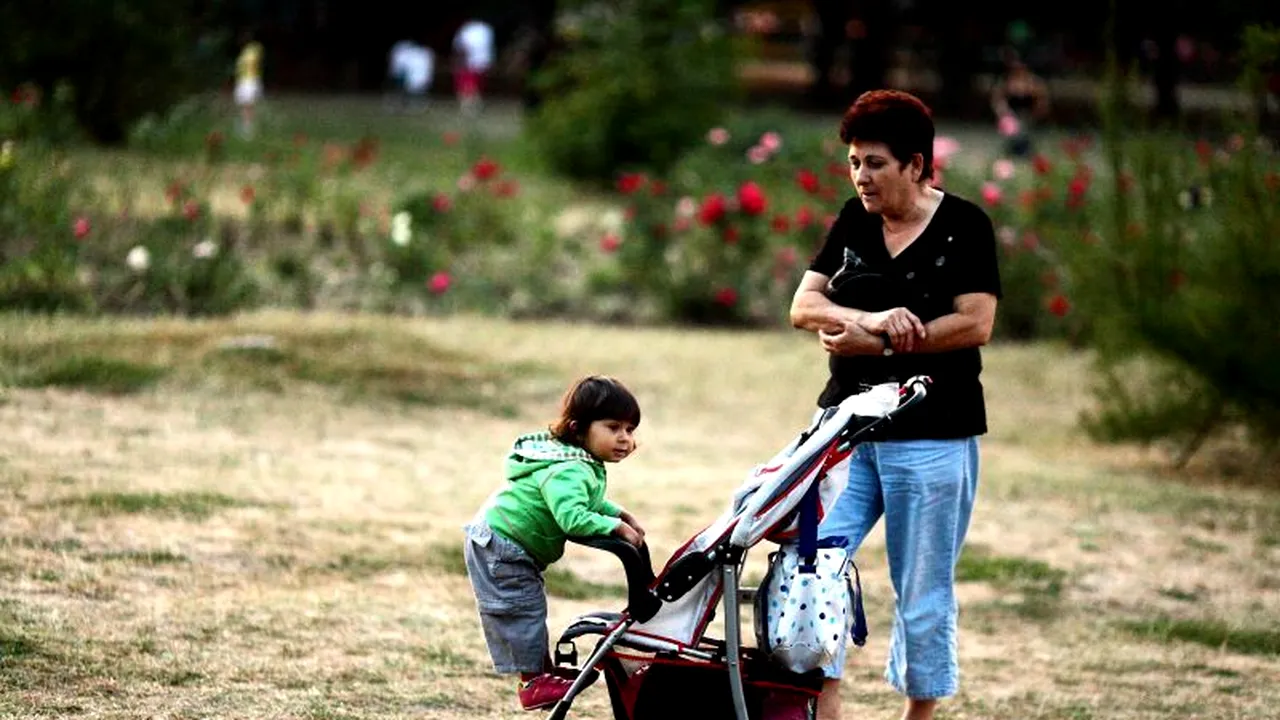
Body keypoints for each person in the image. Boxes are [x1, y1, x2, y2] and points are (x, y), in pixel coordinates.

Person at [788, 89, 1001, 720]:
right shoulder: (853, 222)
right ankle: (823, 706)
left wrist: (874, 346)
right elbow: (803, 307)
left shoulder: (966, 226)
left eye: (875, 163)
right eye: (854, 162)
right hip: (845, 431)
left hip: (933, 433)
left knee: (922, 590)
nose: (860, 176)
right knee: (810, 567)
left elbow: (976, 322)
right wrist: (873, 318)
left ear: (915, 164)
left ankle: (918, 716)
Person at [463, 375, 647, 711]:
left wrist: (617, 513)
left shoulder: (578, 462)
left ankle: (541, 672)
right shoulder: (569, 469)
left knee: (528, 607)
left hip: (506, 541)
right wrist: (615, 528)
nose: (624, 438)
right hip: (503, 544)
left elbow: (586, 500)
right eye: (613, 427)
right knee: (521, 609)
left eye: (630, 430)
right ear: (579, 429)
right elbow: (572, 516)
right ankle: (533, 682)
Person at [990, 49, 1049, 158]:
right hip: (1012, 114)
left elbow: (1042, 100)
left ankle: (1025, 149)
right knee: (1014, 132)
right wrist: (1003, 112)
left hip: (1028, 114)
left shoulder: (1034, 82)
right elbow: (997, 98)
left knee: (1025, 133)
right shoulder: (1006, 81)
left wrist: (1037, 113)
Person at [452, 19, 494, 116]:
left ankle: (470, 107)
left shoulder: (467, 30)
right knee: (473, 85)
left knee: (468, 86)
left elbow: (461, 46)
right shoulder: (485, 29)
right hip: (482, 61)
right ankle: (472, 107)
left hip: (471, 62)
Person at [386, 40, 435, 113]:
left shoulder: (422, 54)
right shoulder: (413, 53)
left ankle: (410, 104)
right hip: (413, 78)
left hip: (417, 79)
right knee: (408, 89)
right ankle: (402, 104)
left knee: (414, 90)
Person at [233, 33, 264, 138]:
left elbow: (252, 62)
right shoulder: (244, 52)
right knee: (245, 105)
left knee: (248, 105)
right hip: (244, 80)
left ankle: (248, 129)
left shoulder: (253, 50)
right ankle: (246, 126)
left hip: (250, 81)